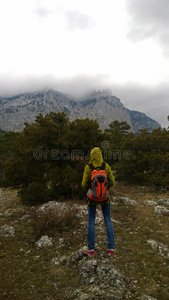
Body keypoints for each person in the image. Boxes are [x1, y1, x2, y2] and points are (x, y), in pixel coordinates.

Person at [81, 147, 115, 256]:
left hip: (92, 198)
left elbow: (83, 184)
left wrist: (92, 190)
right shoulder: (106, 166)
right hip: (105, 198)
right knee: (108, 219)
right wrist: (105, 190)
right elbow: (112, 182)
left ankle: (90, 249)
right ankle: (111, 248)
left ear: (91, 155)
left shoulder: (88, 167)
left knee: (91, 220)